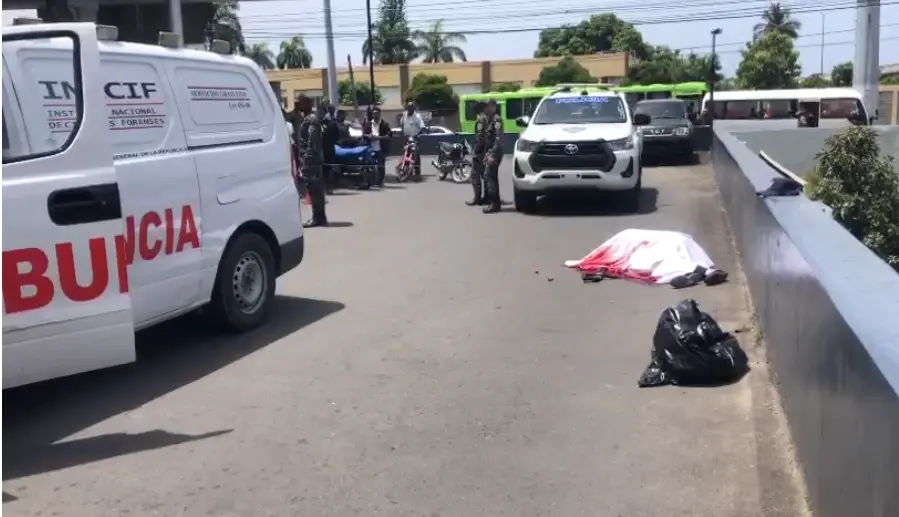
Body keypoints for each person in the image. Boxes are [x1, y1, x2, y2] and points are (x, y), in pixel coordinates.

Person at [295, 95, 328, 228]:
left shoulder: (311, 120)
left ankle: (317, 218)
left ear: (307, 104)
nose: (297, 105)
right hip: (310, 159)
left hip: (311, 161)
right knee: (315, 190)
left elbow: (312, 141)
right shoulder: (305, 118)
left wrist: (306, 159)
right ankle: (320, 217)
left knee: (314, 190)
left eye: (299, 103)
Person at [481, 99, 504, 214]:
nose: (486, 109)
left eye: (488, 106)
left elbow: (498, 139)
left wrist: (492, 154)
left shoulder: (497, 120)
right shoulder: (489, 120)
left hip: (495, 153)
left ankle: (494, 204)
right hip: (490, 152)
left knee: (489, 176)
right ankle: (495, 203)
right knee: (491, 176)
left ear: (493, 107)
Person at [363, 106, 392, 186]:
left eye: (377, 113)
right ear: (372, 114)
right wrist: (369, 136)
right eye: (374, 113)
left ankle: (380, 181)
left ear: (380, 114)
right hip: (370, 148)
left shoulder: (385, 124)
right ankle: (370, 181)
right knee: (369, 165)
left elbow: (389, 135)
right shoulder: (368, 124)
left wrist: (378, 138)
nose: (375, 115)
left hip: (381, 148)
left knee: (381, 165)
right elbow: (364, 134)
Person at [467, 101, 488, 206]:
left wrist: (476, 151)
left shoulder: (480, 120)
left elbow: (480, 138)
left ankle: (477, 198)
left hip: (480, 153)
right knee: (486, 176)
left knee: (474, 176)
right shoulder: (488, 119)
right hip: (487, 151)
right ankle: (488, 198)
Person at [400, 101, 425, 178]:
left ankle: (417, 171)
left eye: (411, 108)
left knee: (415, 155)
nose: (410, 109)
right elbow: (401, 124)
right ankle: (406, 170)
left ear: (414, 108)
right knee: (406, 154)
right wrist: (402, 132)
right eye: (408, 107)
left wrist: (417, 135)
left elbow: (422, 127)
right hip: (406, 138)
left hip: (414, 138)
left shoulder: (417, 117)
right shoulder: (404, 115)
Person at [320, 101, 339, 194]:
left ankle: (329, 187)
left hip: (331, 146)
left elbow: (336, 133)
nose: (332, 110)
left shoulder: (334, 120)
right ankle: (326, 187)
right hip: (324, 147)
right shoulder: (325, 120)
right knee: (325, 168)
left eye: (333, 109)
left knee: (330, 168)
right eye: (330, 109)